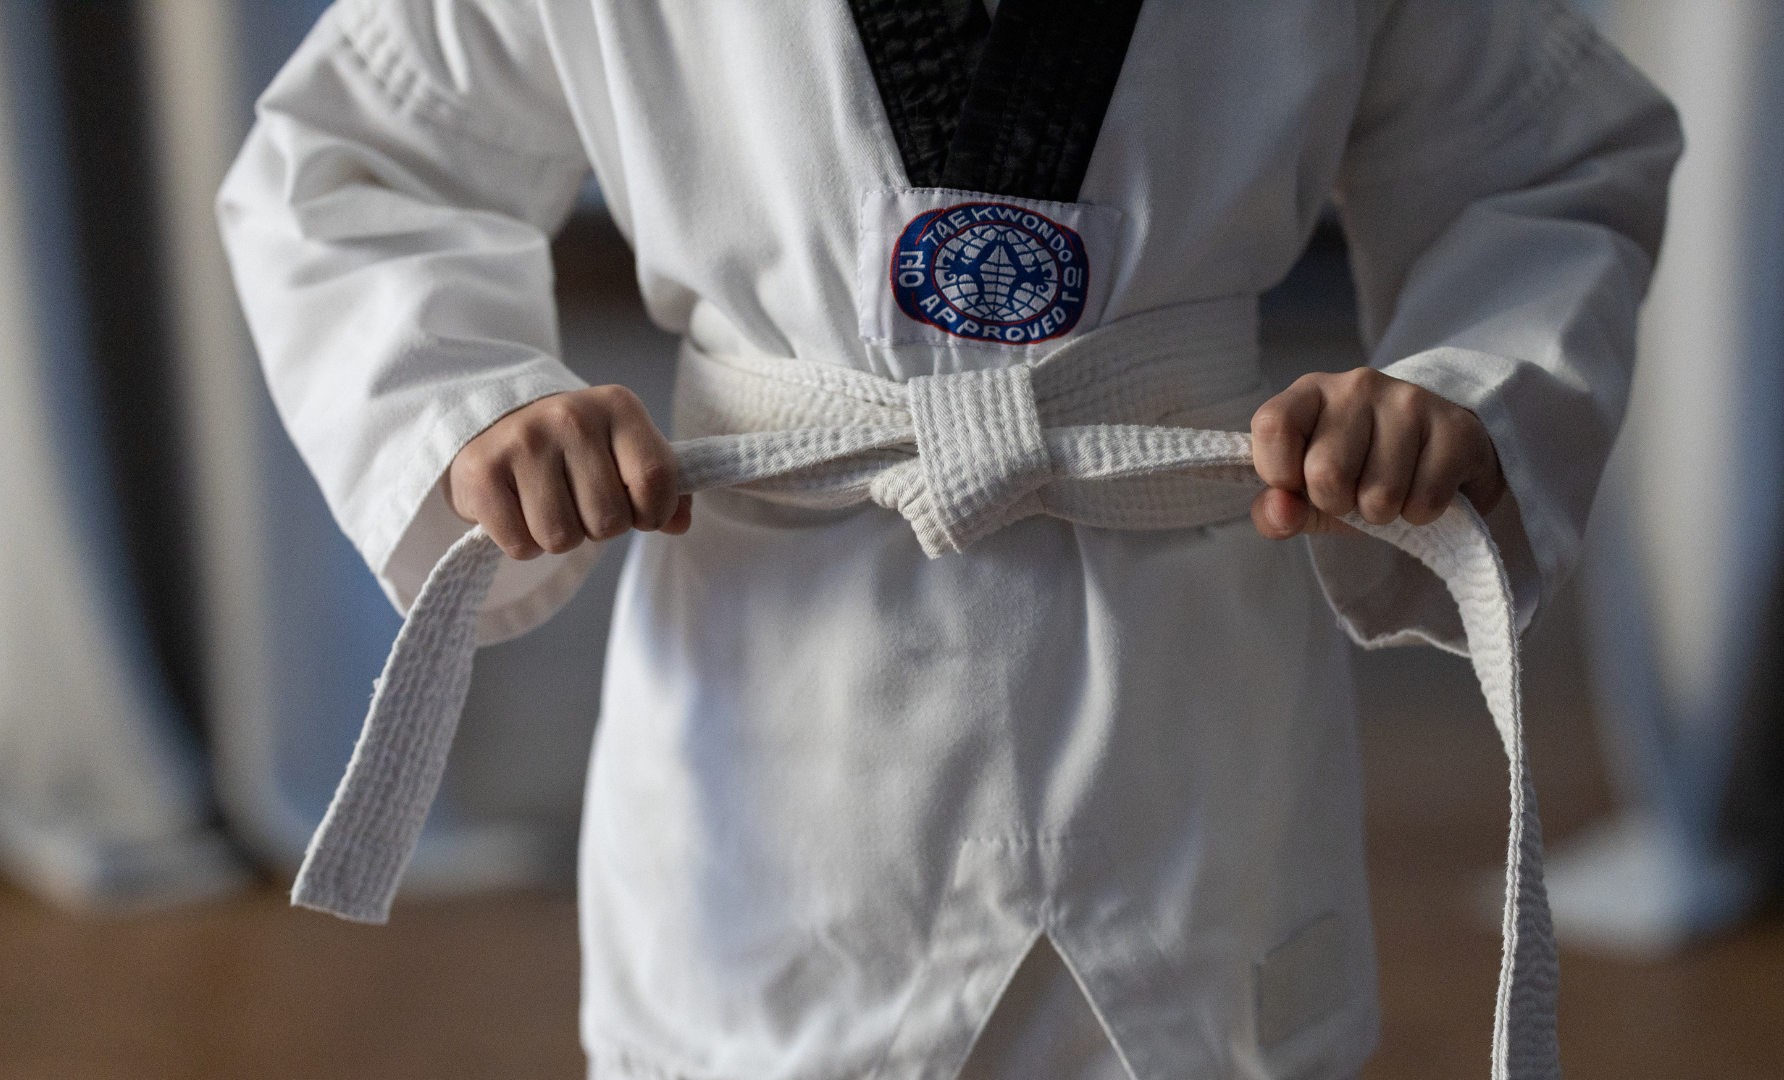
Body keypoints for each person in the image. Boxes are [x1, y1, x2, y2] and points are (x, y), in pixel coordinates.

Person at [217, 2, 1679, 1078]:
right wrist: (474, 411)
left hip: (1185, 706)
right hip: (785, 715)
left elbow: (1541, 158)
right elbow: (353, 161)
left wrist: (1454, 395)